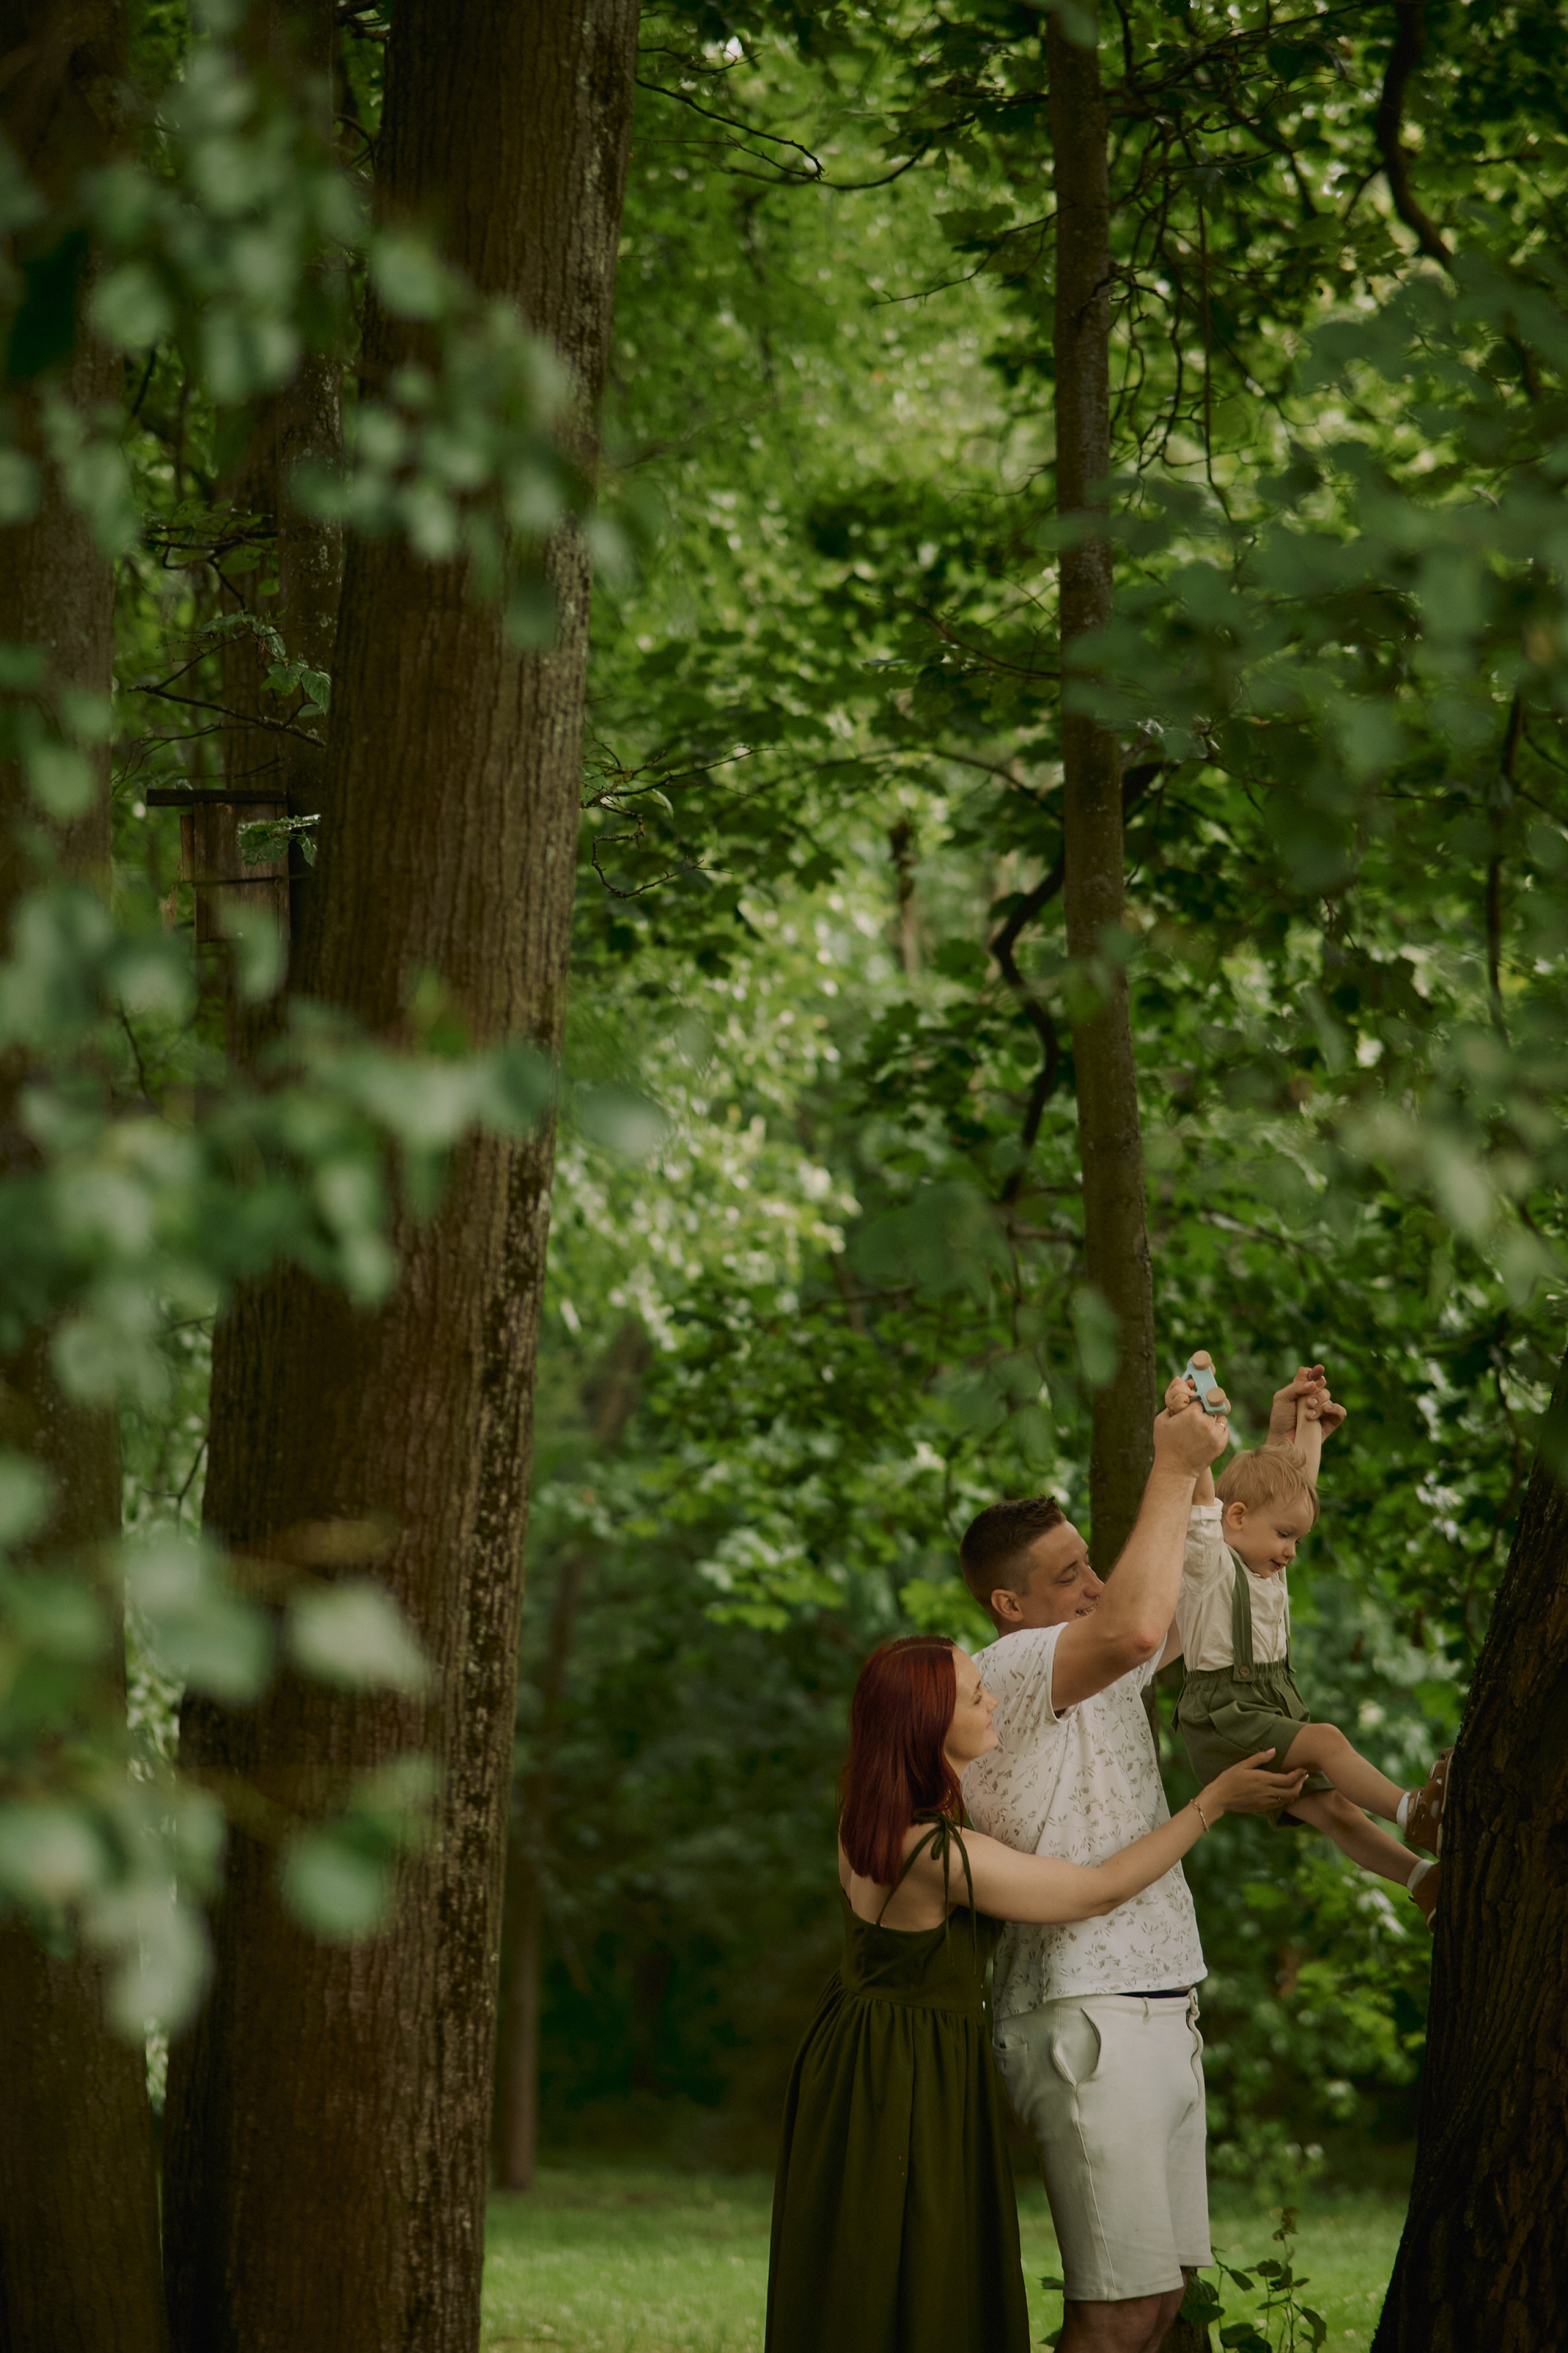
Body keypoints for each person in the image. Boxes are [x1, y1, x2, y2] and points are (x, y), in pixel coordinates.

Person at [764, 1629, 1301, 2353]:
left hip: (870, 2046)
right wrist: (1210, 1803)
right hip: (906, 2066)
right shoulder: (930, 1849)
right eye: (972, 1692)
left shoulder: (872, 1818)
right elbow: (1094, 1890)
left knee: (883, 2264)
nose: (992, 1697)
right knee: (915, 2260)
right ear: (927, 1723)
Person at [957, 1374, 1316, 2353]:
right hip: (1084, 2010)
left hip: (1161, 1998)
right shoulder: (1009, 1669)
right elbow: (1137, 1624)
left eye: (1091, 1562)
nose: (1096, 1582)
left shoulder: (1098, 1664)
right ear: (1010, 1602)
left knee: (1175, 2310)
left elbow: (1213, 1583)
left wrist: (1283, 1455)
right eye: (1071, 1571)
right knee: (1120, 2316)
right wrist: (1172, 1462)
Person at [1176, 1362, 1442, 1922]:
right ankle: (1414, 1812)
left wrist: (1310, 1422)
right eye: (1284, 1536)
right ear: (1238, 1518)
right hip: (1224, 1714)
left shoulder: (1266, 1563)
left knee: (1336, 1809)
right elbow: (1203, 1505)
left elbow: (1298, 1483)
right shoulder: (1212, 1564)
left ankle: (1425, 1881)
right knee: (1325, 1740)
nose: (1291, 1551)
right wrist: (1192, 1425)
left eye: (1297, 1537)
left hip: (1265, 1705)